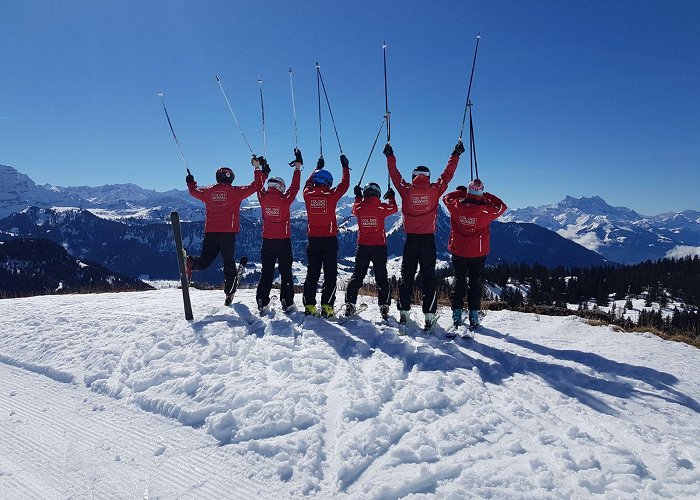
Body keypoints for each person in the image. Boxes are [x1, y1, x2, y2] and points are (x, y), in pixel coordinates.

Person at [383, 140, 464, 330]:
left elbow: (394, 175)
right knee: (428, 278)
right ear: (428, 176)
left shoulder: (406, 190)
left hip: (410, 241)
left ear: (414, 176)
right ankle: (429, 316)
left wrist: (389, 156)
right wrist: (456, 154)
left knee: (407, 277)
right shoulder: (435, 190)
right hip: (428, 241)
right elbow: (448, 175)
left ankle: (403, 313)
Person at [185, 157, 268, 305]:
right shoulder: (236, 192)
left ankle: (191, 262)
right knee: (229, 265)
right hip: (227, 235)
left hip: (210, 233)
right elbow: (256, 186)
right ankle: (229, 293)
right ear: (231, 179)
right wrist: (259, 170)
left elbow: (193, 192)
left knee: (205, 261)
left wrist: (191, 182)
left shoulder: (208, 191)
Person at [442, 178, 507, 328]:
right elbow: (502, 207)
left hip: (459, 250)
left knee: (459, 282)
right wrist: (486, 196)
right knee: (475, 284)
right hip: (478, 252)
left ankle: (457, 315)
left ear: (468, 191)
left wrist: (461, 192)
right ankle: (473, 316)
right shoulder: (486, 210)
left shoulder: (456, 205)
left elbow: (446, 198)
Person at [302, 154, 350, 317]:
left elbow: (306, 184)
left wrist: (317, 167)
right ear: (328, 183)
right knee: (330, 276)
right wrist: (345, 166)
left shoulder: (308, 195)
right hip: (329, 241)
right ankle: (327, 307)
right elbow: (345, 185)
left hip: (313, 241)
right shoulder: (331, 195)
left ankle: (309, 306)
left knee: (312, 274)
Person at [255, 149, 303, 314]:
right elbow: (295, 187)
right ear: (281, 187)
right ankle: (287, 302)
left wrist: (260, 170)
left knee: (266, 272)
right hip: (283, 241)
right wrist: (297, 168)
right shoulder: (285, 200)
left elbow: (257, 185)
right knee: (286, 272)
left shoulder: (262, 198)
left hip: (267, 241)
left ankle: (262, 300)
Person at [344, 182, 398, 319]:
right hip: (379, 247)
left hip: (362, 247)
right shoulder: (381, 207)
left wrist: (357, 197)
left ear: (365, 193)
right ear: (378, 194)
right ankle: (384, 306)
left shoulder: (359, 208)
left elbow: (354, 209)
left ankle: (350, 303)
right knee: (381, 278)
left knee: (357, 276)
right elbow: (394, 208)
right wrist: (391, 196)